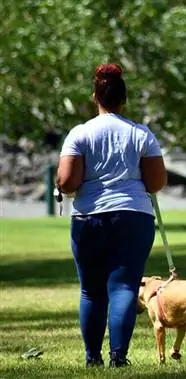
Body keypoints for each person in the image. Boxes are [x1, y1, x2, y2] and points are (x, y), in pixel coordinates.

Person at [56, 63, 167, 368]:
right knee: (124, 287)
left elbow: (67, 183)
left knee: (91, 290)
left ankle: (93, 358)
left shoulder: (79, 134)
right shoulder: (142, 134)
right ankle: (119, 356)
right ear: (124, 99)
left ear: (95, 97)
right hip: (133, 216)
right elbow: (156, 183)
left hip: (89, 217)